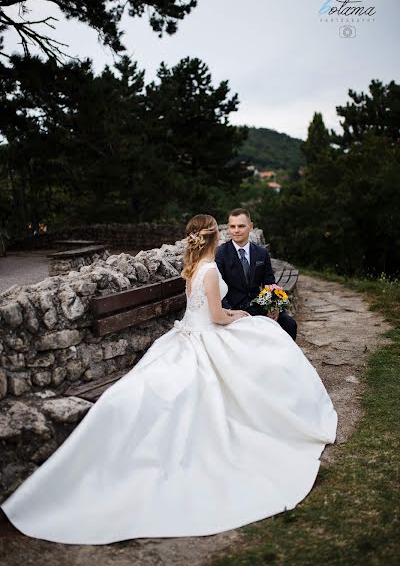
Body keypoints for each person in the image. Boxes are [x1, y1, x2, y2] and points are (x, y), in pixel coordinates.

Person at [1, 214, 337, 545]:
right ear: (215, 239)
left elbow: (201, 310)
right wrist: (238, 315)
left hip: (186, 334)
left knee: (260, 335)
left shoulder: (192, 268)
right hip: (207, 334)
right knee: (265, 335)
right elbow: (218, 317)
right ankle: (278, 412)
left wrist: (233, 314)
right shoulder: (211, 269)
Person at [216, 208, 297, 340]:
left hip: (260, 307)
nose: (236, 230)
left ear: (250, 227)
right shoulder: (221, 253)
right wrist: (230, 314)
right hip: (236, 310)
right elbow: (219, 288)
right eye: (232, 226)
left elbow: (269, 284)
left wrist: (273, 307)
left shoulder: (261, 253)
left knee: (289, 324)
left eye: (241, 226)